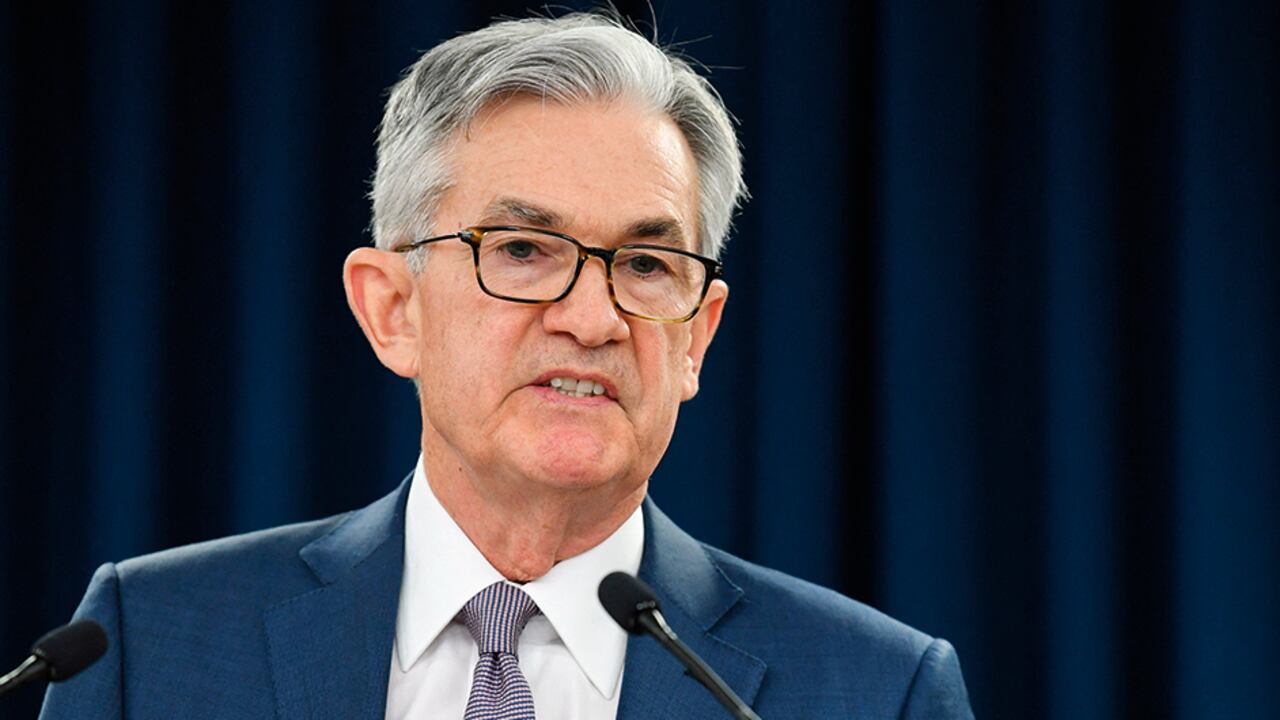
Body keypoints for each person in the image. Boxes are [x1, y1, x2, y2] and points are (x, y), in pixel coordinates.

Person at [42, 12, 973, 720]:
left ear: (696, 336)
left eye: (647, 265)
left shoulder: (878, 690)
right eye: (523, 250)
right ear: (392, 309)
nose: (592, 319)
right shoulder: (146, 645)